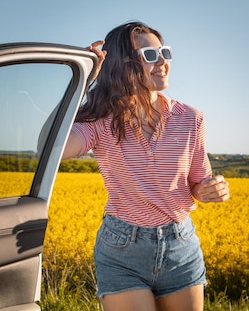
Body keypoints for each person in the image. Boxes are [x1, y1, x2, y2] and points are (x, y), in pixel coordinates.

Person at [60, 21, 230, 311]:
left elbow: (197, 183)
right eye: (150, 55)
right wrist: (81, 81)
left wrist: (210, 190)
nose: (163, 61)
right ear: (123, 65)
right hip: (123, 249)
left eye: (164, 52)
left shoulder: (191, 117)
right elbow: (54, 147)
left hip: (181, 245)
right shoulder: (102, 121)